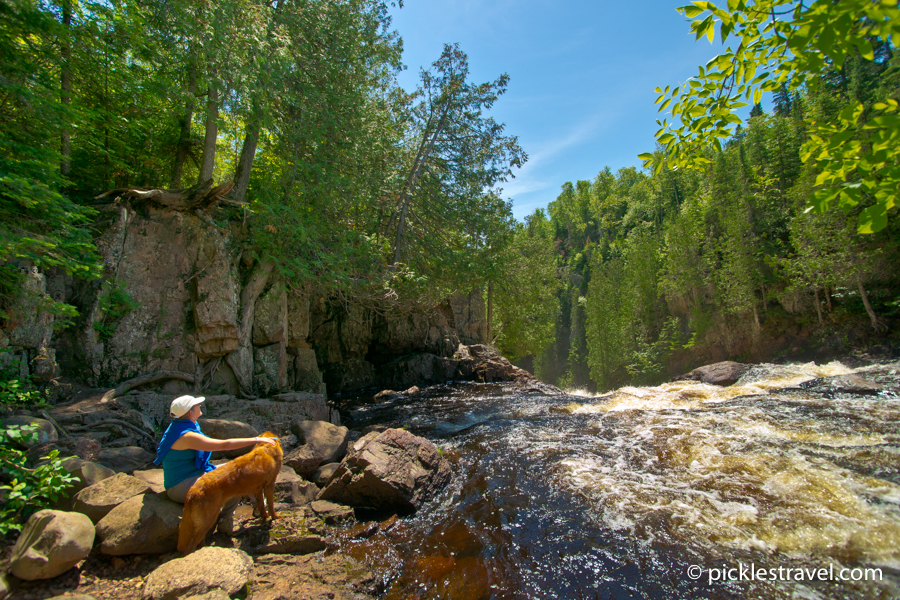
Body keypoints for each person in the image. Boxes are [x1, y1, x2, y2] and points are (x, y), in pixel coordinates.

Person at [154, 394, 276, 532]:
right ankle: (225, 521)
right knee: (233, 480)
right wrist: (256, 440)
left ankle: (259, 508)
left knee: (242, 470)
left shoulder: (182, 425)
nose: (200, 406)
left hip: (193, 475)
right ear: (190, 413)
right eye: (196, 405)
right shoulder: (186, 436)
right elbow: (224, 445)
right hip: (179, 486)